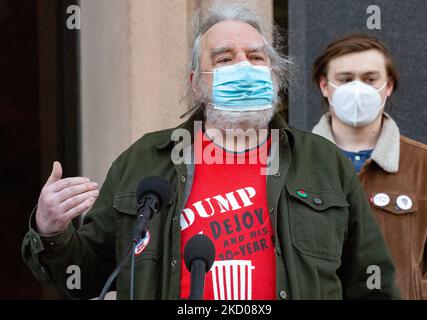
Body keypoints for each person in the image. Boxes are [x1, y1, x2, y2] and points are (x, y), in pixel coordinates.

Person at [22, 6, 400, 300]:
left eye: (256, 57)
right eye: (224, 59)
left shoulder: (323, 161)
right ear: (195, 83)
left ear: (274, 74)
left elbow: (372, 283)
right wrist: (50, 231)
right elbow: (87, 275)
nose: (244, 67)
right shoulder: (144, 161)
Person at [311, 33, 427, 299]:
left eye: (370, 79)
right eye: (345, 79)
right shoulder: (294, 162)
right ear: (324, 86)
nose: (357, 88)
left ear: (388, 86)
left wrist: (420, 294)